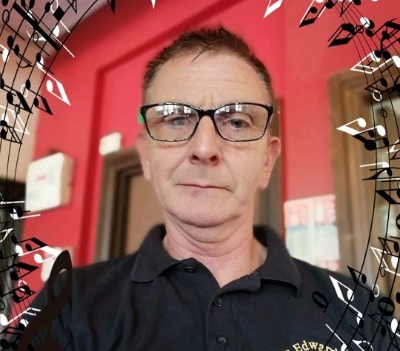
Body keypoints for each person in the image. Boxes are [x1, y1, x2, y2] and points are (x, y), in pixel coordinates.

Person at [21, 27, 388, 350]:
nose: (205, 147)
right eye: (177, 120)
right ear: (146, 156)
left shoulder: (358, 309)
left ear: (267, 161)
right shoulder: (67, 305)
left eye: (237, 121)